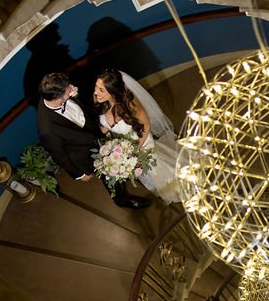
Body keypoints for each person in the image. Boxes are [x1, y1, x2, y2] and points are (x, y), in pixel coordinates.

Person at [36, 72, 150, 210]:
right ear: (57, 99)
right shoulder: (47, 129)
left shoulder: (67, 92)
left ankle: (129, 172)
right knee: (109, 178)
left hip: (101, 134)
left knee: (124, 165)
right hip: (87, 154)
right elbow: (59, 156)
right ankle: (121, 199)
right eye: (68, 91)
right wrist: (79, 174)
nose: (72, 88)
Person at [92, 69, 181, 204]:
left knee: (159, 169)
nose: (96, 92)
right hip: (125, 148)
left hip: (142, 143)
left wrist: (135, 150)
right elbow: (104, 124)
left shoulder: (130, 104)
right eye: (96, 87)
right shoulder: (99, 100)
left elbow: (145, 126)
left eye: (101, 90)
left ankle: (176, 187)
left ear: (114, 92)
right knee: (147, 174)